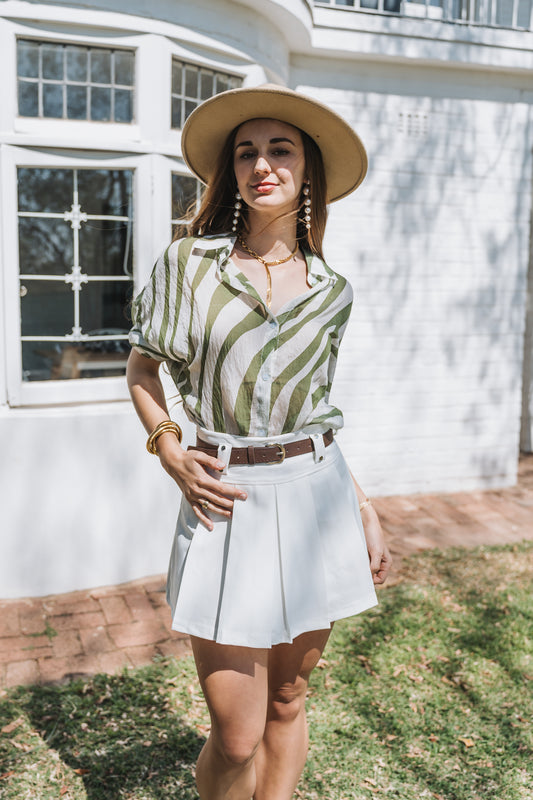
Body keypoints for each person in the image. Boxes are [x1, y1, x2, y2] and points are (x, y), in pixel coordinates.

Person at [126, 83, 392, 800]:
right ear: (230, 173)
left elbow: (316, 414)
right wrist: (170, 450)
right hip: (225, 502)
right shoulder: (189, 266)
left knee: (287, 701)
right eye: (246, 152)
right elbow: (144, 367)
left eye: (281, 150)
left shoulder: (331, 290)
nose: (261, 164)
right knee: (236, 732)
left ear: (308, 173)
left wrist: (360, 504)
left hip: (317, 499)